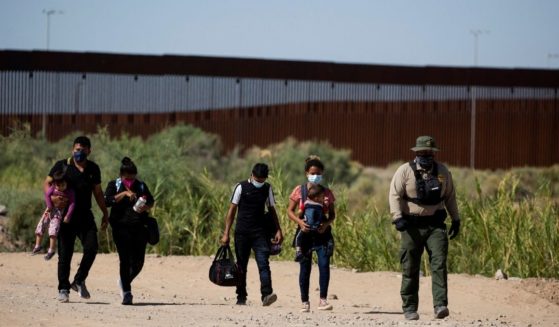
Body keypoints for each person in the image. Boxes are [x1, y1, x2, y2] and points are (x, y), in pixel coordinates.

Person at [388, 135, 461, 321]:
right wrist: (397, 218)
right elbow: (394, 194)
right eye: (422, 152)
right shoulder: (404, 171)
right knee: (410, 266)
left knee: (439, 263)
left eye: (429, 152)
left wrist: (456, 219)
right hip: (411, 226)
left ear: (434, 153)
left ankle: (440, 305)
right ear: (416, 152)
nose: (426, 155)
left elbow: (450, 197)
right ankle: (410, 307)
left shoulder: (443, 171)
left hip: (435, 226)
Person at [44, 136, 109, 303]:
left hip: (85, 215)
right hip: (65, 216)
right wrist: (52, 201)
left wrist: (105, 212)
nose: (78, 152)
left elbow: (98, 193)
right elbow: (47, 183)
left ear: (89, 150)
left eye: (82, 149)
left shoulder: (93, 168)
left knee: (92, 247)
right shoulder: (63, 165)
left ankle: (79, 280)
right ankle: (63, 288)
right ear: (72, 149)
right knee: (65, 254)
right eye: (76, 149)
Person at [220, 163, 283, 306]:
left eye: (262, 180)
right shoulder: (241, 187)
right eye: (258, 179)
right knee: (241, 266)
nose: (260, 183)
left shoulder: (267, 188)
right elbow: (232, 210)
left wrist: (278, 229)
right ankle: (241, 297)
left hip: (260, 234)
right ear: (252, 175)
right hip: (242, 233)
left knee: (263, 263)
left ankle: (266, 294)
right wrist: (226, 233)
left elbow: (272, 209)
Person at [287, 155, 336, 313]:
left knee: (324, 266)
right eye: (313, 173)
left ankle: (323, 300)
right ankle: (304, 301)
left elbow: (332, 215)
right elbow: (290, 211)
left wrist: (326, 224)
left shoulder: (327, 193)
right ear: (306, 173)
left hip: (323, 236)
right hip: (306, 235)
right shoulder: (299, 190)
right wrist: (300, 223)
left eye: (319, 173)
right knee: (305, 268)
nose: (316, 176)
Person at [104, 157, 154, 305]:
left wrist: (146, 206)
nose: (130, 180)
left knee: (139, 261)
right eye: (127, 177)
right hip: (120, 227)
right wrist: (124, 194)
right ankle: (126, 292)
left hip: (139, 227)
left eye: (133, 177)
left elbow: (151, 201)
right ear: (121, 175)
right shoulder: (114, 184)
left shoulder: (141, 185)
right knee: (124, 259)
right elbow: (107, 201)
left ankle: (123, 280)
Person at [32, 170, 75, 261]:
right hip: (49, 210)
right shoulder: (53, 188)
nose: (60, 188)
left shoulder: (69, 192)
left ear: (66, 183)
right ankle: (37, 246)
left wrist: (68, 216)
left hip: (58, 213)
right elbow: (47, 195)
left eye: (62, 185)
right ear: (55, 184)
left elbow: (72, 204)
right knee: (41, 226)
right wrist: (50, 206)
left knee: (53, 230)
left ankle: (51, 250)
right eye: (58, 185)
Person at [293, 183, 326, 262]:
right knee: (314, 239)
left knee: (298, 238)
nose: (324, 198)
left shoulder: (306, 203)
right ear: (317, 198)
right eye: (322, 197)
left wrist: (300, 220)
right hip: (317, 227)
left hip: (306, 226)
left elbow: (300, 212)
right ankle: (313, 247)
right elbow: (324, 214)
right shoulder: (321, 206)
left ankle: (298, 251)